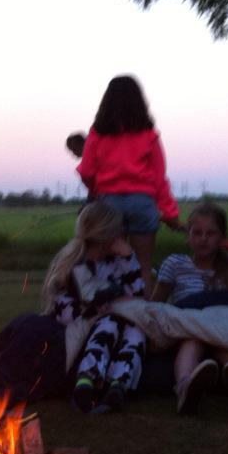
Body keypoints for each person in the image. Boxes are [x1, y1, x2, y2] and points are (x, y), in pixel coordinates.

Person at [152, 203, 228, 415]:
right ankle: (185, 388)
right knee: (191, 343)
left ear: (221, 237)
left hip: (226, 326)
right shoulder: (174, 264)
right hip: (189, 326)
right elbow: (157, 304)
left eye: (210, 233)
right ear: (188, 235)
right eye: (197, 233)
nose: (203, 239)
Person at [76, 75, 181, 293]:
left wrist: (96, 191)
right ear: (139, 101)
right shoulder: (150, 135)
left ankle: (114, 314)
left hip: (108, 206)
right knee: (143, 266)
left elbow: (86, 171)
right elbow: (159, 179)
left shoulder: (97, 133)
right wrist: (170, 214)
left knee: (110, 266)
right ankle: (144, 317)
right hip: (142, 203)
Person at [42, 200, 147, 413]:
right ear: (106, 234)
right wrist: (112, 302)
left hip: (111, 317)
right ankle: (86, 381)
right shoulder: (75, 264)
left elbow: (137, 296)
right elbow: (78, 304)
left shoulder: (115, 261)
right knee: (109, 322)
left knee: (136, 328)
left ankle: (119, 384)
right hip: (81, 323)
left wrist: (129, 258)